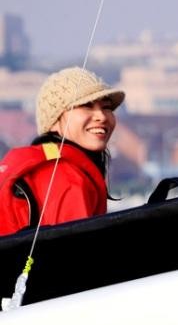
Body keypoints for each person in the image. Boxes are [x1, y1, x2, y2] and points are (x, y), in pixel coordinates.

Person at [0, 67, 124, 235]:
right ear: (54, 120)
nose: (101, 116)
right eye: (86, 105)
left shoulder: (40, 164)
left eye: (107, 107)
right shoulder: (66, 177)